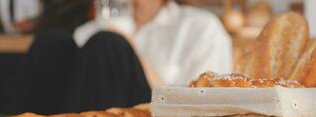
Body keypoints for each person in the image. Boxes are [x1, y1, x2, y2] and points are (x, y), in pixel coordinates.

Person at [74, 0, 233, 85]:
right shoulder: (86, 33)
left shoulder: (200, 29)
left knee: (109, 44)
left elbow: (206, 109)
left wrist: (124, 45)